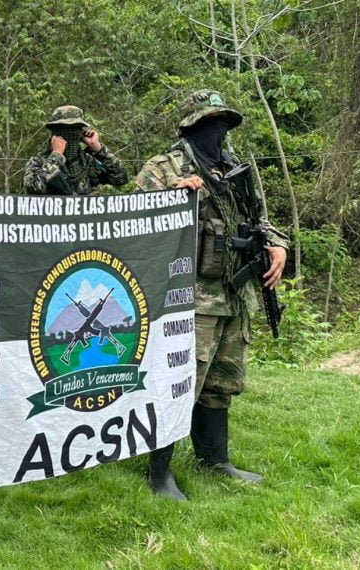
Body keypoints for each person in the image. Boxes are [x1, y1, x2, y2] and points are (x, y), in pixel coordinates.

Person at [133, 90, 288, 500]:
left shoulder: (236, 167)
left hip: (235, 291)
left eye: (223, 123)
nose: (217, 131)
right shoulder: (163, 168)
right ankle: (159, 472)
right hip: (187, 296)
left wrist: (277, 245)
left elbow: (261, 219)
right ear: (189, 126)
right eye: (208, 123)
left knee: (221, 380)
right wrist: (175, 198)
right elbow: (134, 223)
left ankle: (214, 460)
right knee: (179, 380)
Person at [23, 105, 128, 195]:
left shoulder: (87, 162)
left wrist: (98, 149)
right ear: (54, 133)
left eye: (75, 128)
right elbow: (33, 188)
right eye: (62, 129)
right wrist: (56, 155)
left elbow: (121, 178)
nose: (69, 134)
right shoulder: (39, 162)